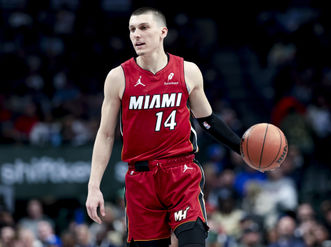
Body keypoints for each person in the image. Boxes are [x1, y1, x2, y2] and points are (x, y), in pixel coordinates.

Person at [85, 7, 241, 247]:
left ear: (162, 32)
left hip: (181, 173)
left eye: (144, 28)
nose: (136, 34)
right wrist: (94, 186)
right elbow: (106, 135)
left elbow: (207, 120)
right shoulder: (118, 77)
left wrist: (242, 149)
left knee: (194, 241)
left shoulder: (188, 71)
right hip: (141, 178)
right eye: (132, 30)